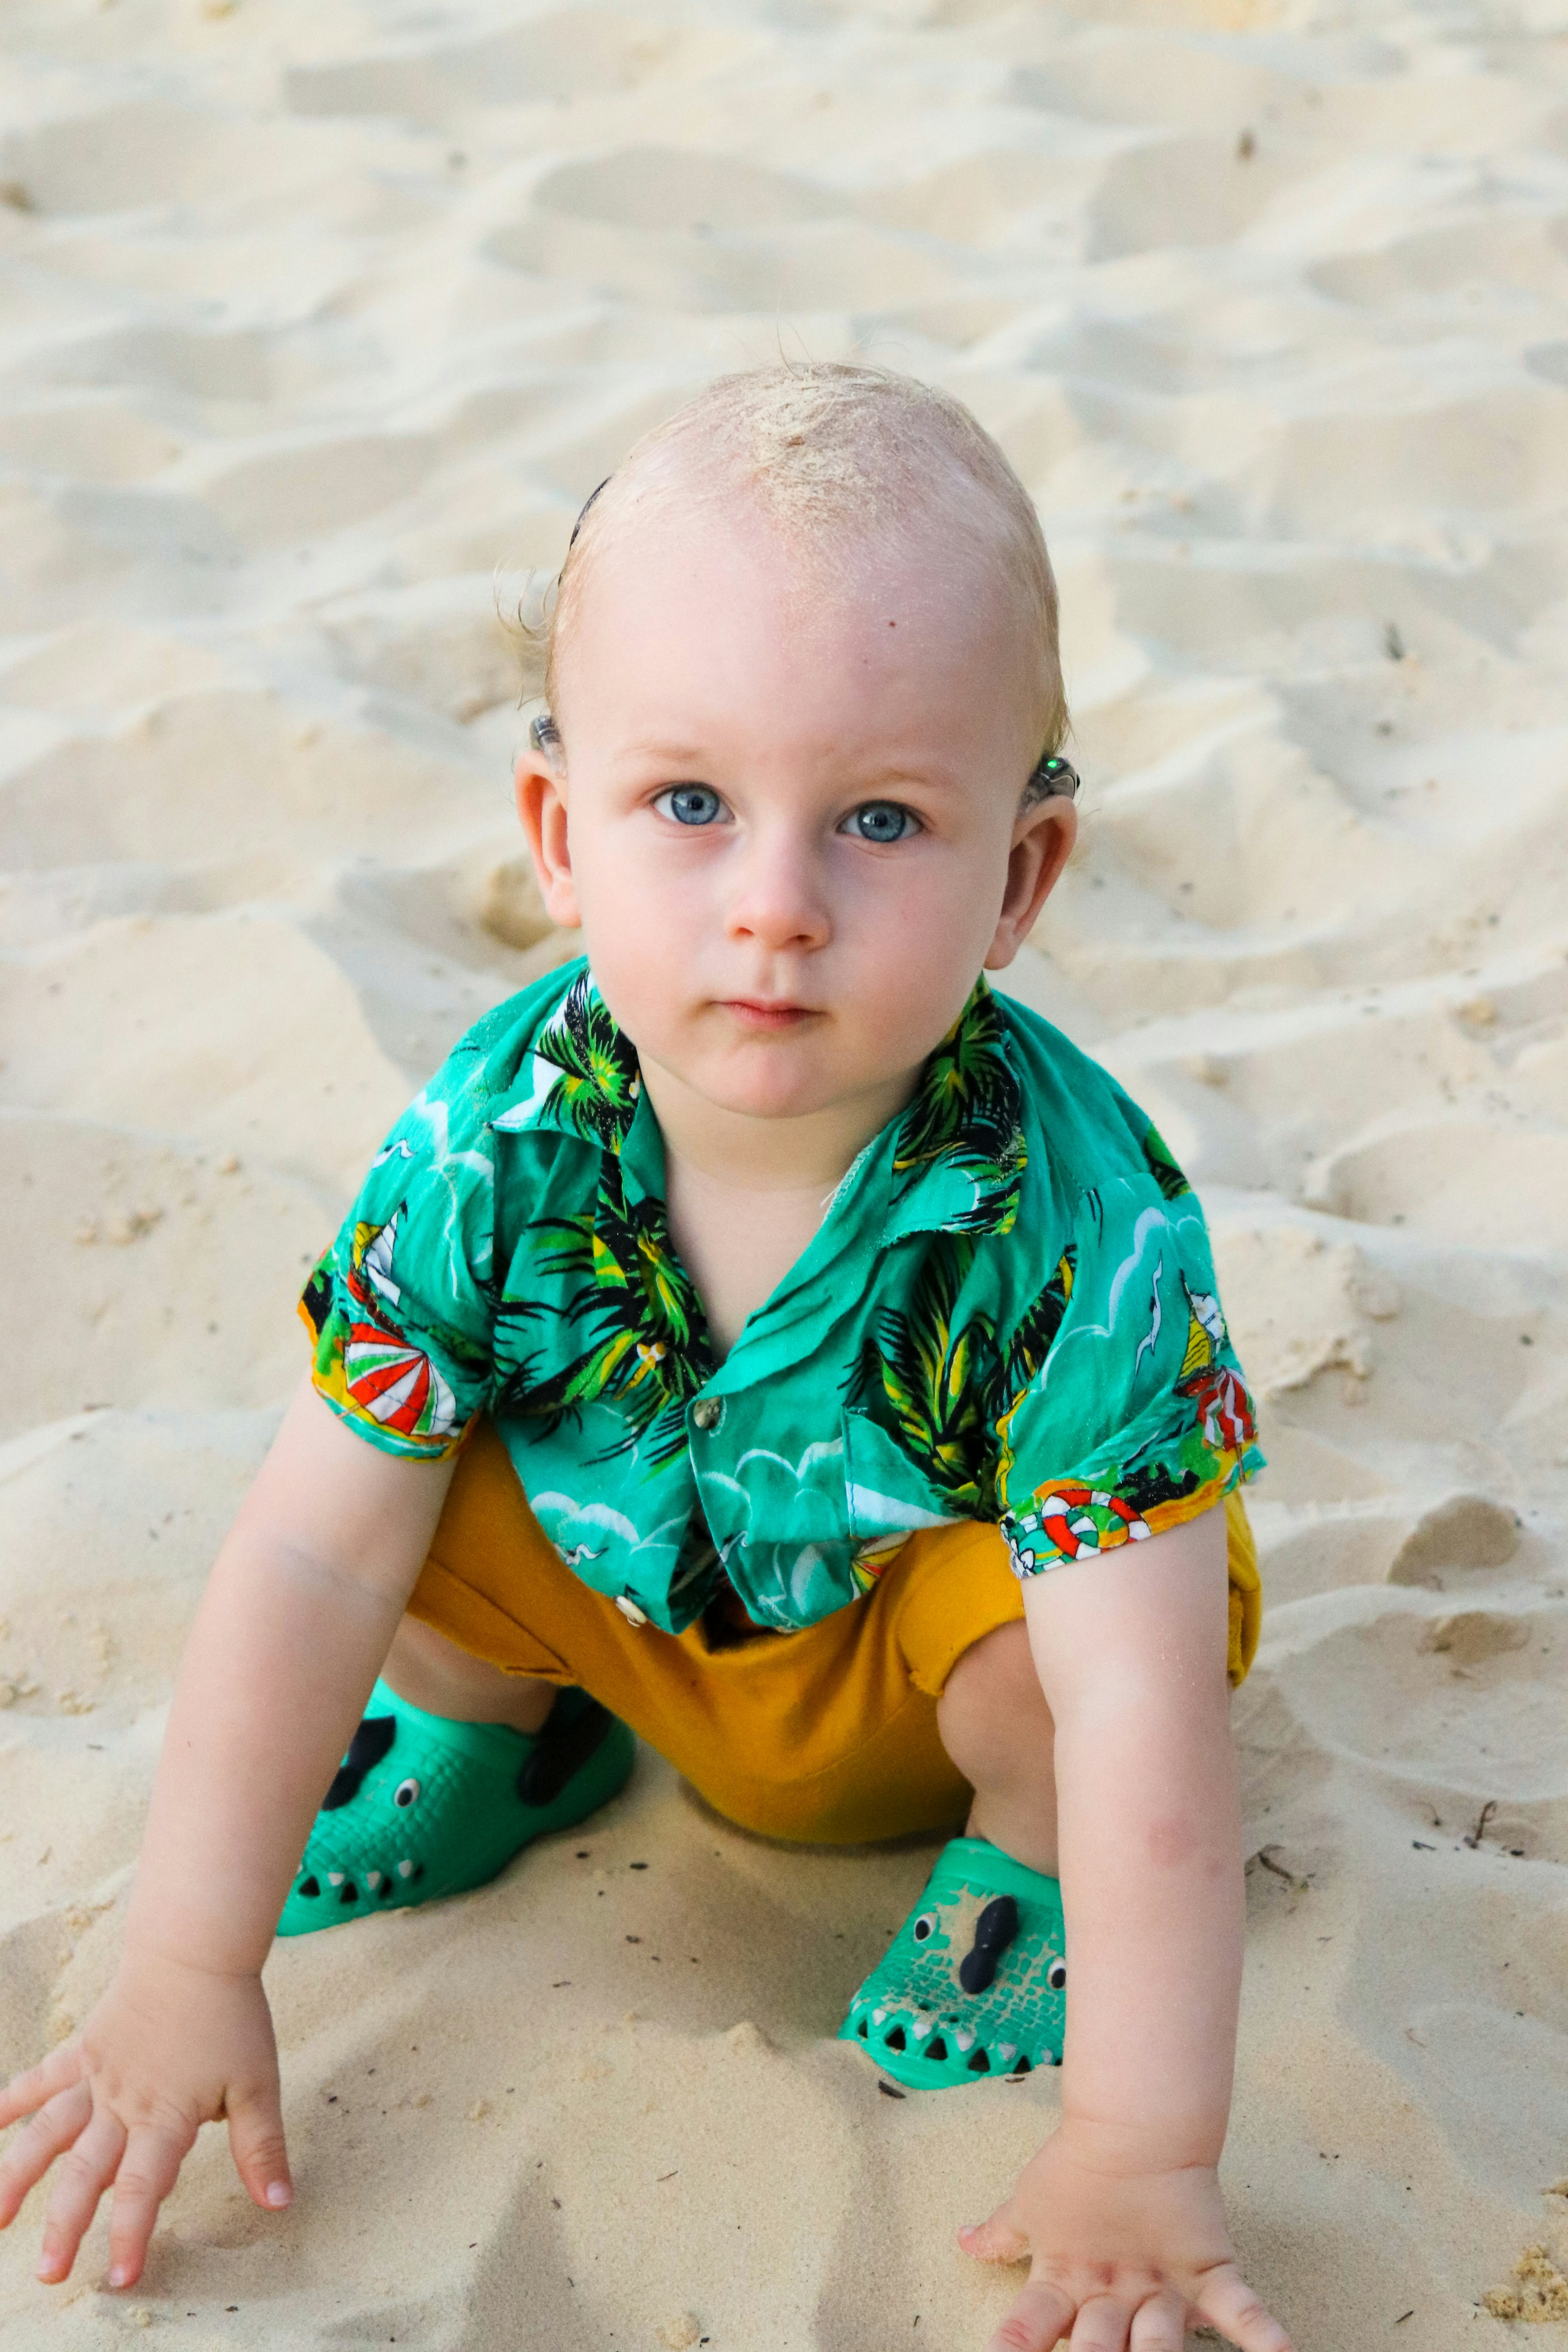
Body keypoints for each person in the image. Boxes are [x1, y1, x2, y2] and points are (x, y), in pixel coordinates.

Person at [0, 364, 1291, 2352]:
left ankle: (1013, 1887)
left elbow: (1143, 1726)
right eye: (689, 803)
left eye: (880, 820)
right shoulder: (501, 1132)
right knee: (385, 1467)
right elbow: (302, 1559)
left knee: (1077, 1670)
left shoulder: (1076, 1221)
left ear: (1020, 879)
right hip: (613, 1605)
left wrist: (1144, 2137)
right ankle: (488, 1738)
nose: (774, 905)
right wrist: (188, 1959)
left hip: (900, 1681)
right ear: (559, 832)